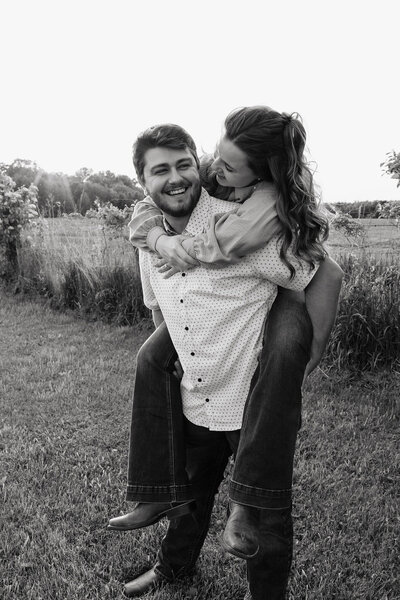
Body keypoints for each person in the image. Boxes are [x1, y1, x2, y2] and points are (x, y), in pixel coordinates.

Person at [109, 113, 343, 599]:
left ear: (201, 166)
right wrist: (177, 365)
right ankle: (173, 568)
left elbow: (321, 273)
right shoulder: (148, 241)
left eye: (183, 164)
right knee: (191, 496)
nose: (175, 178)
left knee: (266, 518)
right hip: (197, 396)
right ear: (143, 181)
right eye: (159, 170)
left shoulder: (241, 232)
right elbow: (160, 313)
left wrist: (310, 349)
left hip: (249, 406)